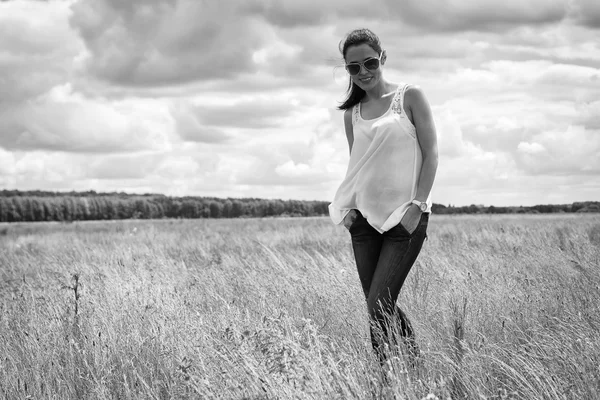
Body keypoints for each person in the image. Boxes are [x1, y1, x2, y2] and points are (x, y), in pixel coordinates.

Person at [328, 28, 439, 365]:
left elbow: (431, 152)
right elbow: (356, 166)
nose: (363, 72)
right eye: (353, 67)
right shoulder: (353, 114)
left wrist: (418, 206)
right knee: (378, 306)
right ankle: (391, 377)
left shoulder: (409, 96)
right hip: (363, 223)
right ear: (347, 70)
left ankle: (411, 370)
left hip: (404, 221)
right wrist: (348, 211)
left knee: (379, 303)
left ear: (383, 58)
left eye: (370, 63)